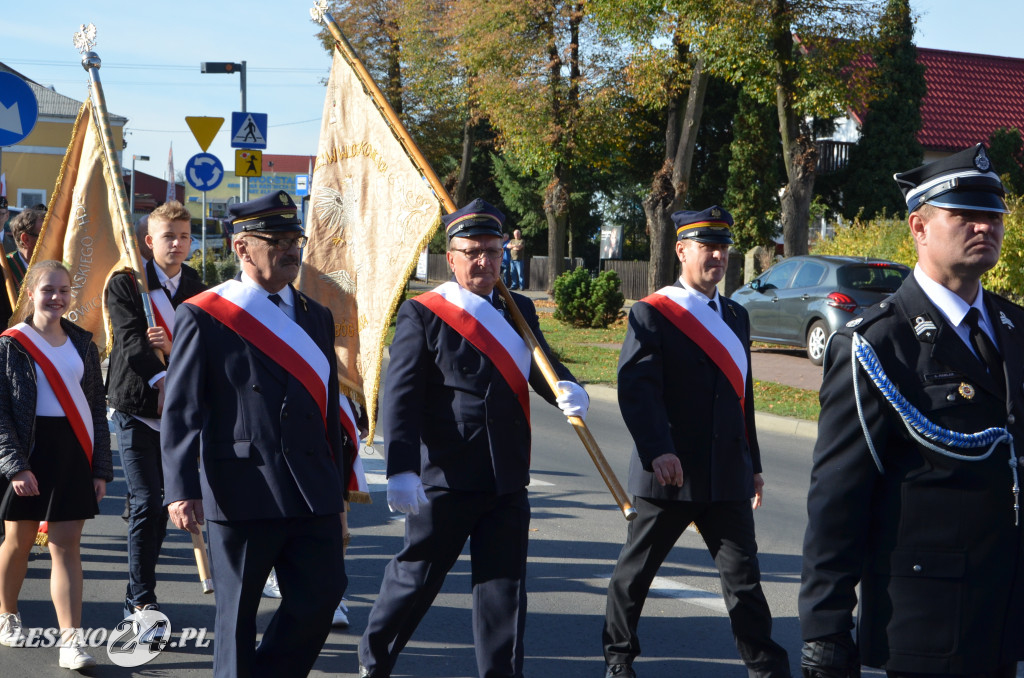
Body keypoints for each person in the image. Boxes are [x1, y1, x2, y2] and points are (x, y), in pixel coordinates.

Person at [799, 144, 1024, 678]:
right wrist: (825, 627)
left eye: (992, 215)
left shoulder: (1015, 327)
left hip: (1006, 619)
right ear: (918, 227)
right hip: (927, 622)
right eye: (964, 214)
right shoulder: (880, 342)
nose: (984, 227)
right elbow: (838, 495)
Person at [358, 198, 589, 678]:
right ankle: (374, 662)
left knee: (504, 591)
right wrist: (400, 469)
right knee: (416, 578)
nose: (484, 261)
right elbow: (401, 397)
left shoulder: (517, 308)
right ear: (452, 256)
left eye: (492, 249)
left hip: (505, 477)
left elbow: (541, 366)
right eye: (472, 251)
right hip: (446, 475)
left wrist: (567, 389)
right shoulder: (424, 314)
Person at [161, 190, 349, 678]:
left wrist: (342, 487)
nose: (292, 250)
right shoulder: (205, 314)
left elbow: (326, 408)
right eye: (278, 240)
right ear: (242, 247)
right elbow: (181, 409)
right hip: (242, 486)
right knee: (238, 616)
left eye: (295, 239)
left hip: (312, 486)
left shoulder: (316, 316)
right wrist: (181, 489)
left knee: (321, 598)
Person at [602, 206, 790, 678]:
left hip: (726, 473)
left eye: (724, 247)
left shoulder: (736, 315)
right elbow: (637, 389)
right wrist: (657, 449)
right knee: (636, 574)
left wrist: (754, 463)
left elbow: (741, 397)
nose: (718, 256)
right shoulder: (653, 312)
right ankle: (619, 659)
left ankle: (767, 669)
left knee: (744, 583)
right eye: (708, 247)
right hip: (671, 472)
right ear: (682, 250)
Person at [0, 260, 113, 669]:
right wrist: (15, 466)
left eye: (64, 290)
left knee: (67, 547)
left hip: (72, 451)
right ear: (31, 292)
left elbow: (97, 410)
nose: (57, 297)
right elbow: (1, 413)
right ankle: (7, 614)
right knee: (19, 541)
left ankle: (71, 642)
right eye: (49, 289)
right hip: (29, 452)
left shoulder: (84, 342)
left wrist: (100, 468)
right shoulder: (11, 343)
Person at [107, 201, 206, 620]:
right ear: (149, 241)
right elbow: (130, 341)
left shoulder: (197, 283)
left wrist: (172, 350)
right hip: (137, 405)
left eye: (184, 236)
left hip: (181, 411)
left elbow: (204, 345)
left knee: (175, 500)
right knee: (149, 501)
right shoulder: (127, 283)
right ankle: (141, 599)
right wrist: (161, 377)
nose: (178, 244)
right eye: (169, 236)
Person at [6, 208, 43, 293]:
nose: (53, 241)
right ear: (25, 239)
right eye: (46, 235)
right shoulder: (4, 268)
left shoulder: (56, 268)